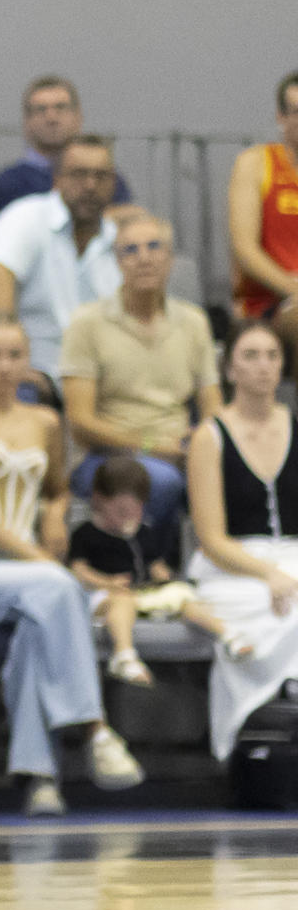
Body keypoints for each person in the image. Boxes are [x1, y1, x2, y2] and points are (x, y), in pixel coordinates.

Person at [0, 317, 145, 817]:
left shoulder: (46, 423)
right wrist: (47, 563)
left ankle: (41, 778)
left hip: (29, 577)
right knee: (55, 589)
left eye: (13, 356)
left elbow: (57, 488)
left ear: (27, 361)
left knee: (36, 626)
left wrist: (52, 514)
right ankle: (94, 728)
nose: (3, 367)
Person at [59, 213, 220, 528]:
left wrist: (204, 440)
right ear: (117, 263)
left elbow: (212, 404)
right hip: (109, 458)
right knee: (163, 480)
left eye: (154, 247)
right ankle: (142, 565)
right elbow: (79, 423)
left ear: (170, 259)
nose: (143, 258)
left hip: (181, 451)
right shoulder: (87, 323)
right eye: (130, 251)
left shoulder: (193, 321)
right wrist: (151, 446)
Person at [185, 321, 298, 762]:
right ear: (229, 369)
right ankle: (255, 729)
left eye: (272, 356)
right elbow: (211, 537)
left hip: (292, 553)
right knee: (266, 607)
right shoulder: (209, 438)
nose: (263, 367)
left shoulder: (295, 424)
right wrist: (268, 572)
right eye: (250, 356)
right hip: (235, 562)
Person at [68, 455, 239, 690]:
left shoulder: (144, 532)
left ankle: (227, 634)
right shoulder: (86, 534)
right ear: (98, 500)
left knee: (185, 598)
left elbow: (155, 564)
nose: (130, 518)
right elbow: (78, 571)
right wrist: (107, 582)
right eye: (121, 511)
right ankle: (124, 654)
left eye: (137, 511)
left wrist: (162, 576)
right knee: (123, 602)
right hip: (107, 597)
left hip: (143, 594)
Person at [0, 134, 124, 390]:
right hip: (32, 375)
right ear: (57, 179)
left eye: (100, 176)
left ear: (113, 183)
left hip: (101, 384)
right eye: (79, 174)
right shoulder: (24, 218)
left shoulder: (121, 242)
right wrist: (13, 363)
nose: (90, 185)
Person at [0, 76, 133, 221]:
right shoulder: (9, 183)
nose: (51, 118)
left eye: (60, 108)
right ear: (26, 122)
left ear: (78, 116)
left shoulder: (104, 178)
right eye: (41, 109)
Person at [227, 71, 298, 345]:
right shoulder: (256, 163)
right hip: (269, 305)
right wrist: (293, 289)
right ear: (280, 117)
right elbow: (244, 249)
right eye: (296, 111)